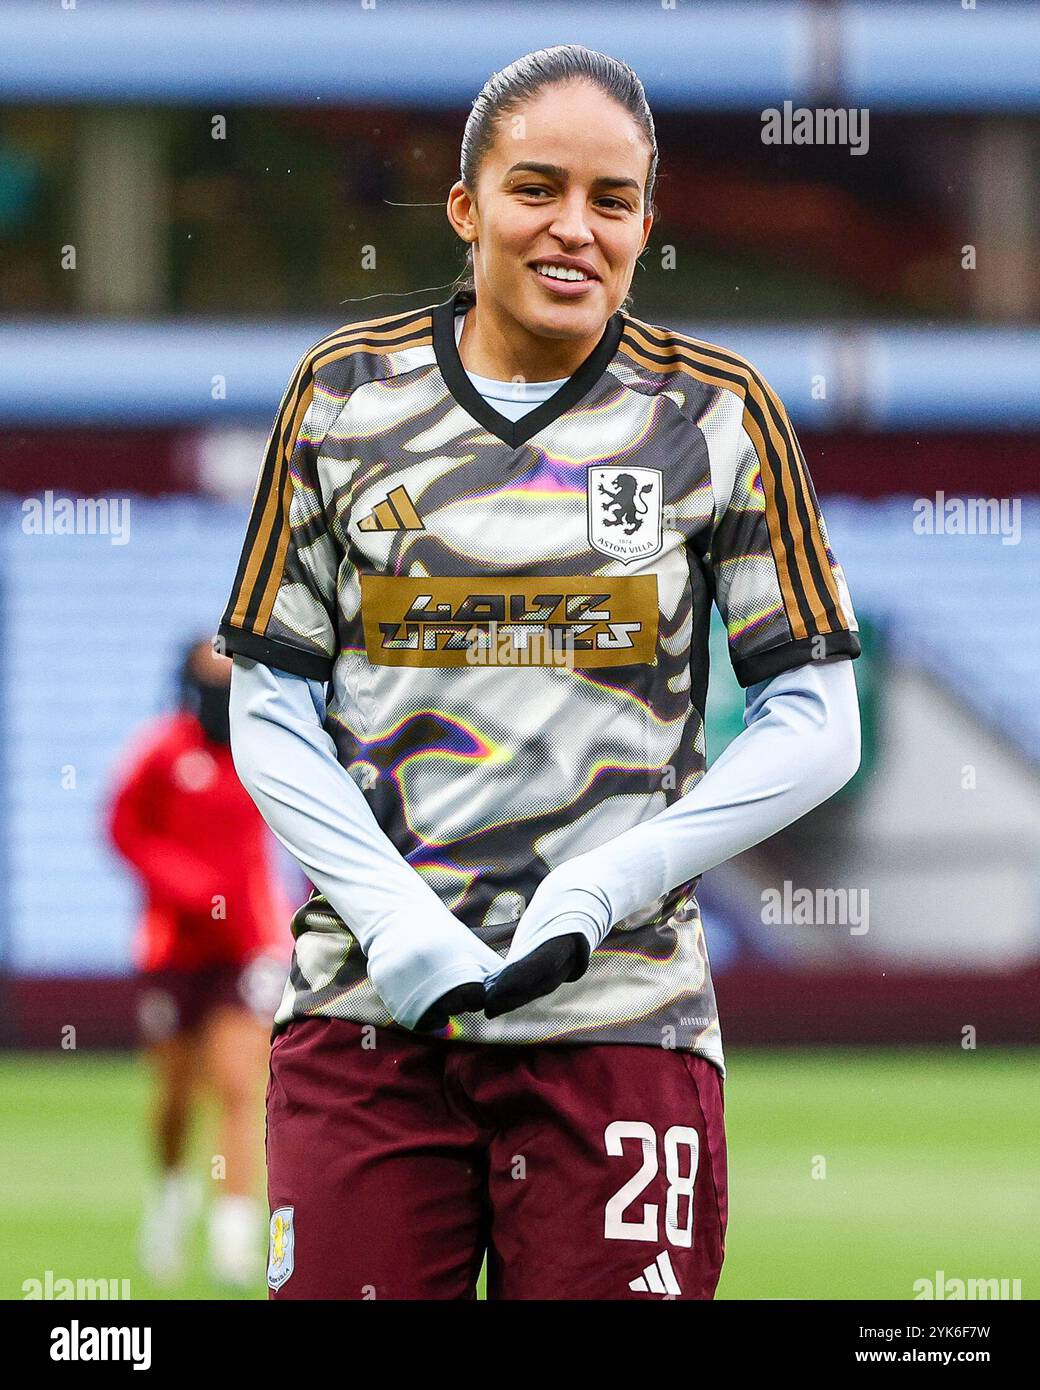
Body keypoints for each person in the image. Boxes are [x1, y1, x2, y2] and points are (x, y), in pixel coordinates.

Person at [217, 45, 862, 1300]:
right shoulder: (342, 397)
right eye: (536, 188)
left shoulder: (715, 414)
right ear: (465, 208)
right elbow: (271, 701)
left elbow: (815, 718)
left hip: (617, 1024)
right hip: (369, 1023)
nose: (574, 228)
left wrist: (608, 884)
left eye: (611, 200)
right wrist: (395, 921)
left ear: (644, 223)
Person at [107, 639, 290, 1288]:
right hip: (173, 951)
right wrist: (180, 882)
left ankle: (234, 1238)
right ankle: (170, 1198)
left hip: (244, 950)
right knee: (177, 1095)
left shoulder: (260, 749)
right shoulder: (161, 751)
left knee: (240, 1086)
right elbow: (123, 827)